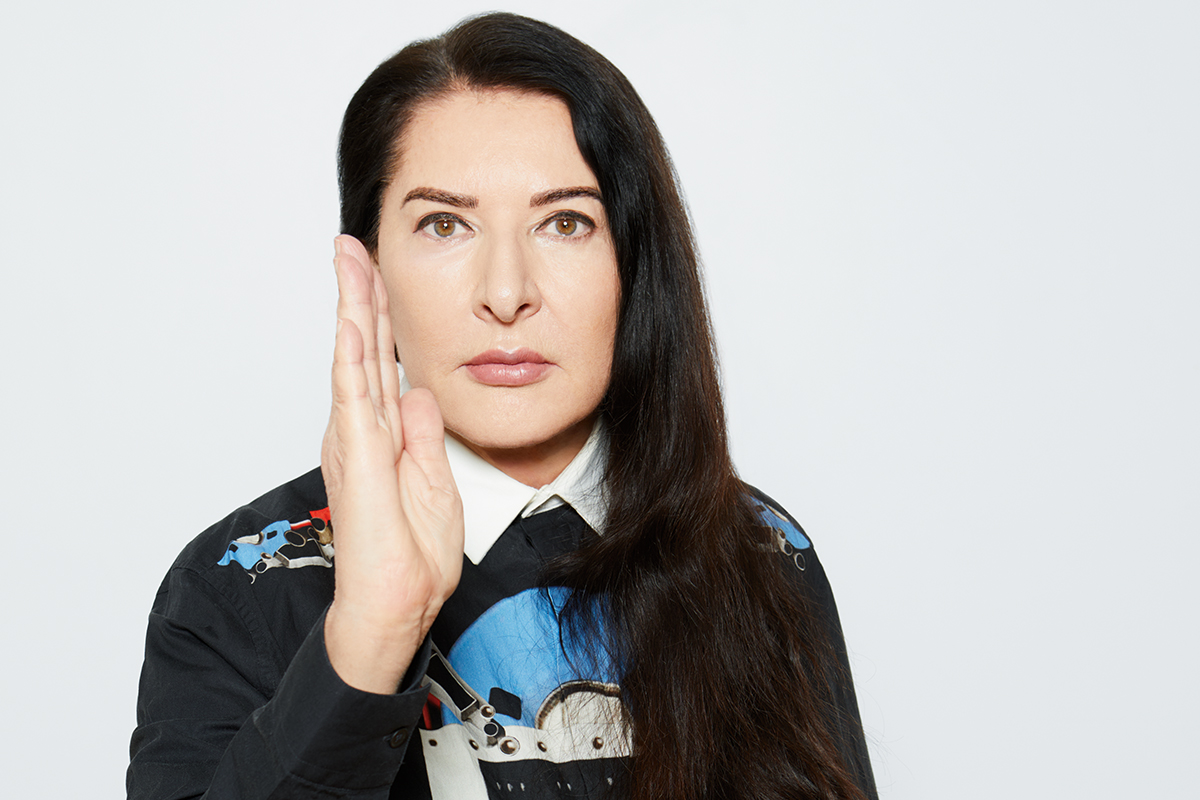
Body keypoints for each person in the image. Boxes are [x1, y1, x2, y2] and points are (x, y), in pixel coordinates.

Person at [128, 12, 877, 800]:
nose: (507, 292)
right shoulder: (242, 583)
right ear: (369, 266)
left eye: (565, 222)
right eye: (445, 224)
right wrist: (371, 637)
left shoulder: (760, 551)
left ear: (635, 267)